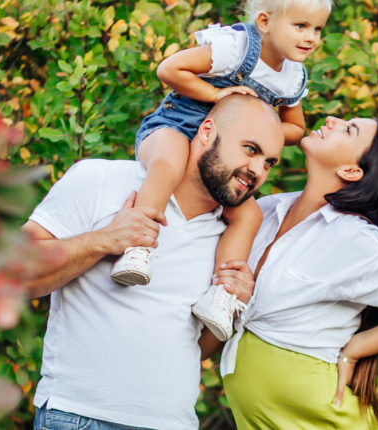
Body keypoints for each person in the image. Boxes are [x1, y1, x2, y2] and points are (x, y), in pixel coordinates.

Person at [20, 95, 284, 430]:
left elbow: (196, 348)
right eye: (250, 149)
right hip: (78, 417)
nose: (258, 170)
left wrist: (234, 307)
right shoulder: (102, 180)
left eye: (269, 163)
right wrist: (105, 239)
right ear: (206, 132)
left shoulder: (234, 236)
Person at [110, 0, 334, 341]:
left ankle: (222, 292)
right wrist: (218, 94)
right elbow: (170, 70)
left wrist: (257, 127)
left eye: (317, 29)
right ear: (265, 22)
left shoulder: (293, 75)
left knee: (248, 216)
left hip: (223, 154)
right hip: (177, 126)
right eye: (300, 26)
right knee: (168, 163)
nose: (311, 37)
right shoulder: (236, 47)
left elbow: (295, 127)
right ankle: (138, 247)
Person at [219, 116, 378, 429]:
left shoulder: (354, 238)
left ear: (351, 171)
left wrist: (355, 350)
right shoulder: (266, 210)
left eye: (349, 129)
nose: (331, 119)